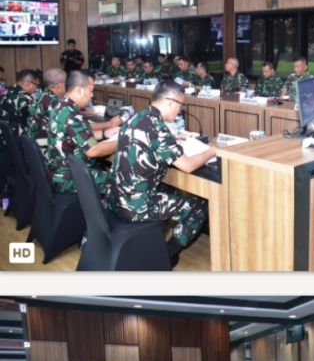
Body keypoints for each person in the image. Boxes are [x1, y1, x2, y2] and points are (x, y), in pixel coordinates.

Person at [108, 80, 215, 266]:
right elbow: (188, 165)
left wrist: (173, 141)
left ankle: (155, 243)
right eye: (181, 106)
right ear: (171, 102)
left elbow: (150, 143)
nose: (180, 111)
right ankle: (167, 254)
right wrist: (212, 151)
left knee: (169, 190)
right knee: (199, 206)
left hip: (115, 197)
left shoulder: (136, 117)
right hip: (135, 205)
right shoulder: (157, 127)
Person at [46, 70, 119, 193]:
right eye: (90, 91)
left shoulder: (62, 106)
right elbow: (93, 151)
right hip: (69, 177)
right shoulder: (70, 114)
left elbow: (78, 136)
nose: (92, 95)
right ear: (79, 90)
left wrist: (104, 133)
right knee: (121, 181)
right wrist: (124, 139)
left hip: (62, 171)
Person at [0, 68, 40, 147]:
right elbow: (35, 122)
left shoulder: (4, 92)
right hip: (19, 143)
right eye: (36, 85)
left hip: (4, 141)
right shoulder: (25, 98)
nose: (36, 89)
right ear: (28, 83)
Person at [27, 67, 66, 147]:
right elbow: (68, 124)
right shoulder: (53, 101)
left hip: (36, 142)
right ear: (60, 84)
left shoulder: (43, 95)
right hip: (46, 146)